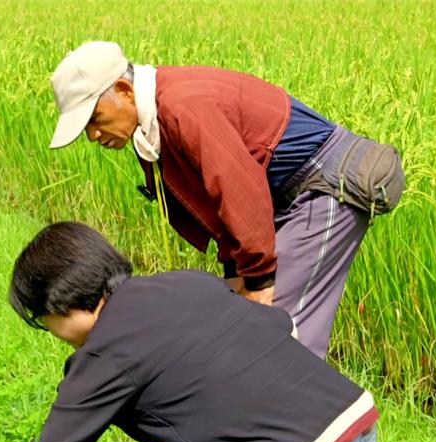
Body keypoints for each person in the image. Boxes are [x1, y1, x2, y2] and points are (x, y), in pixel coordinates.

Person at [0, 221, 378, 442]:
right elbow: (283, 328)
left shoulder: (104, 354)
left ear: (59, 303)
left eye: (43, 321)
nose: (51, 332)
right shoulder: (186, 282)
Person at [48, 42, 406, 359]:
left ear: (124, 90)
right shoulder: (151, 125)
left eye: (95, 119)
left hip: (325, 185)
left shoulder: (182, 106)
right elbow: (217, 208)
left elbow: (239, 188)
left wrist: (260, 281)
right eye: (85, 130)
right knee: (244, 325)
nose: (93, 135)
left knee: (281, 333)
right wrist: (237, 275)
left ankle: (327, 427)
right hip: (283, 199)